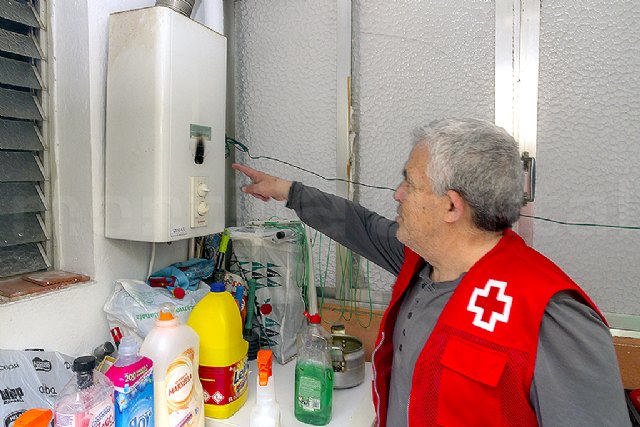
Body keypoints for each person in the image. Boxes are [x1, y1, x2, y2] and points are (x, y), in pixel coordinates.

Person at [232, 118, 630, 427]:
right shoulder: (420, 260)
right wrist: (289, 191)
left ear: (452, 207)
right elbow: (360, 225)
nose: (397, 194)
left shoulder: (549, 316)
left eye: (410, 183)